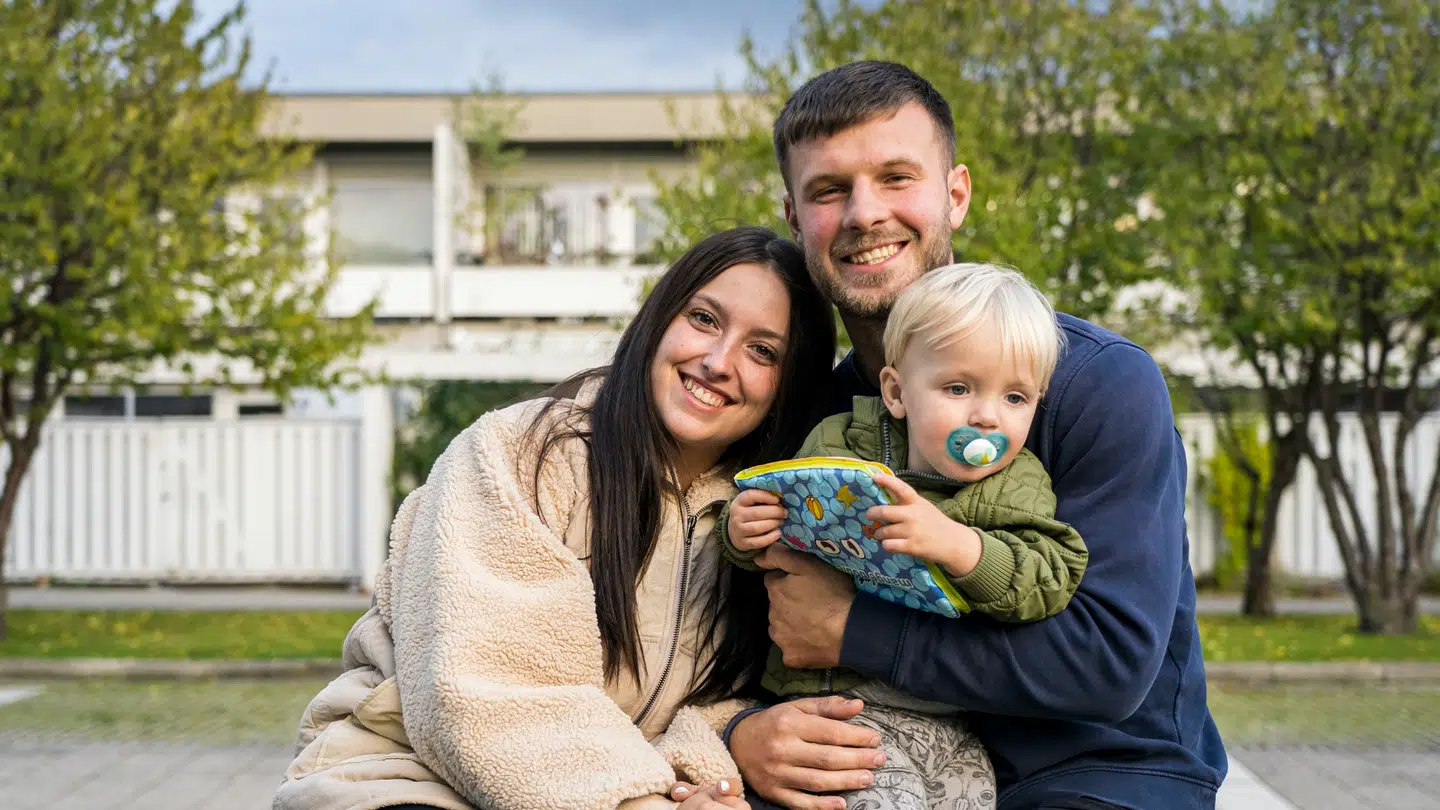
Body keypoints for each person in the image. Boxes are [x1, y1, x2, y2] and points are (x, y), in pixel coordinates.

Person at [724, 61, 1228, 810]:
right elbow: (744, 626)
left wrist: (856, 632)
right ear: (796, 220)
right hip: (879, 758)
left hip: (1103, 775)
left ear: (955, 194)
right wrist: (741, 731)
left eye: (897, 177)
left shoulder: (1100, 384)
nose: (864, 214)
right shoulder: (814, 418)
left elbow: (1110, 666)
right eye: (829, 190)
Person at [272, 226, 837, 810]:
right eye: (704, 319)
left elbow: (709, 702)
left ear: (787, 387)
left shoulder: (761, 520)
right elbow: (489, 695)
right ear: (660, 318)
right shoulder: (520, 452)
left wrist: (714, 755)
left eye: (762, 351)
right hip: (405, 779)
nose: (719, 361)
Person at [721, 263, 1088, 809]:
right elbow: (786, 532)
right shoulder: (842, 441)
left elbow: (1050, 575)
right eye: (959, 388)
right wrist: (743, 532)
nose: (988, 417)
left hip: (953, 716)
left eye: (1016, 398)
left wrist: (960, 546)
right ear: (896, 392)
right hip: (842, 710)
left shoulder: (1018, 480)